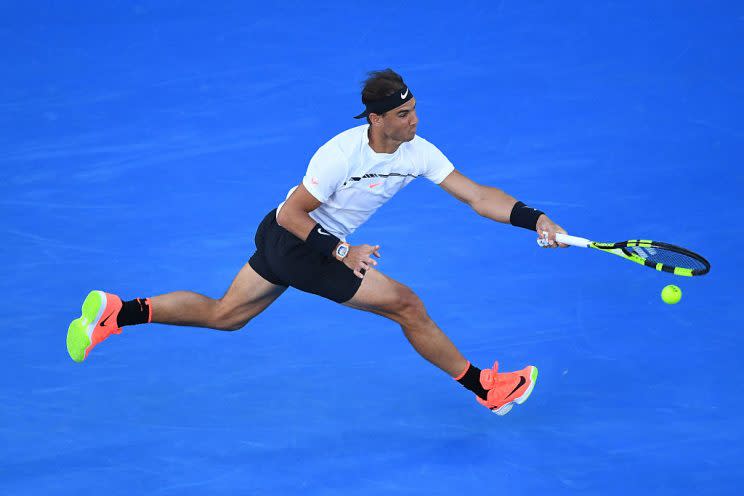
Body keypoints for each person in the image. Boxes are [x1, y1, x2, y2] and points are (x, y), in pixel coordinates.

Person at [66, 69, 567, 415]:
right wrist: (342, 251)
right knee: (407, 306)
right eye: (403, 115)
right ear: (376, 119)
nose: (414, 121)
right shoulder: (339, 155)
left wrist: (535, 218)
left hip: (294, 243)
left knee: (227, 315)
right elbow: (291, 213)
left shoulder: (419, 152)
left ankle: (118, 312)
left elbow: (477, 195)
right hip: (297, 239)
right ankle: (486, 388)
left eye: (415, 110)